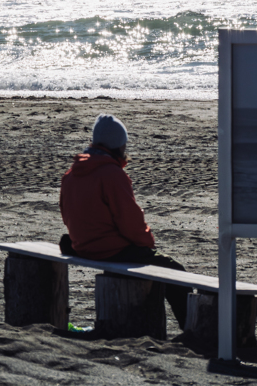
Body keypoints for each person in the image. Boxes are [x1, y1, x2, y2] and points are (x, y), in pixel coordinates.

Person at [59, 114, 192, 328]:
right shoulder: (112, 174)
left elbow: (66, 214)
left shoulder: (71, 173)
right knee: (176, 272)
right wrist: (147, 243)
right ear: (120, 145)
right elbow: (130, 221)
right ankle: (190, 329)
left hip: (82, 246)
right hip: (110, 250)